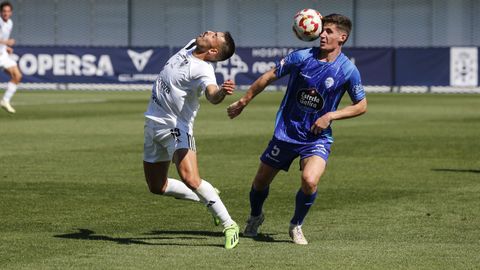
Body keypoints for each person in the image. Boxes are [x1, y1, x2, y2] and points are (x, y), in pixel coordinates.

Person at [227, 14, 367, 245]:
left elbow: (361, 105)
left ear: (342, 37)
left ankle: (296, 225)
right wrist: (244, 101)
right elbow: (268, 77)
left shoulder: (348, 70)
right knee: (260, 182)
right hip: (286, 133)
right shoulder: (301, 57)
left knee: (310, 180)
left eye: (329, 32)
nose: (322, 34)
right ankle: (255, 216)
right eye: (322, 30)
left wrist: (331, 115)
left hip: (316, 138)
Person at [143, 31, 239, 249]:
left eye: (213, 35)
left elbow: (212, 94)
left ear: (213, 50)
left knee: (190, 178)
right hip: (152, 124)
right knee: (157, 186)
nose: (208, 32)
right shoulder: (190, 44)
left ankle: (229, 224)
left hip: (176, 128)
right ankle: (207, 195)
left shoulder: (204, 70)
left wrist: (222, 93)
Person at [0, 1, 22, 114]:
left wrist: (5, 47)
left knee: (17, 76)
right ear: (0, 12)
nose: (6, 13)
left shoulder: (10, 23)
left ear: (11, 13)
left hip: (2, 55)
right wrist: (6, 42)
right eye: (4, 11)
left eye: (8, 11)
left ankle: (5, 100)